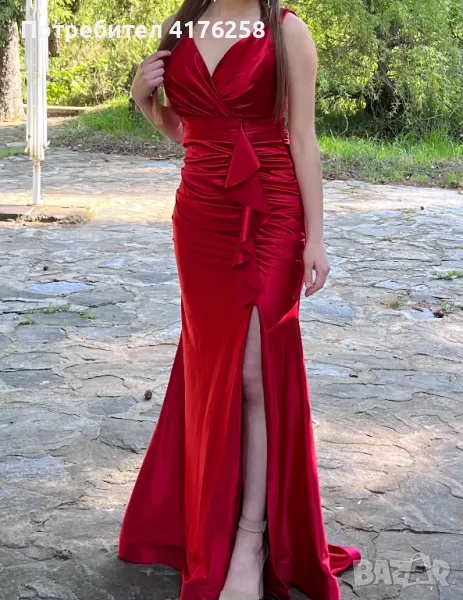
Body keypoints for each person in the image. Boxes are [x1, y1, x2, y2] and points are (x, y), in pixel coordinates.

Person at [117, 1, 361, 599]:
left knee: (255, 374)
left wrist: (316, 237)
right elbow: (189, 133)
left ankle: (252, 539)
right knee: (212, 369)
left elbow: (303, 138)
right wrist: (144, 102)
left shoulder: (287, 31)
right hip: (201, 216)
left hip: (273, 211)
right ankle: (211, 515)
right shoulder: (182, 28)